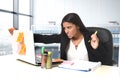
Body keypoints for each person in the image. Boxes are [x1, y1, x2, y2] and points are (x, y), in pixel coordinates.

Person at [9, 13, 112, 65]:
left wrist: (96, 47)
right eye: (64, 28)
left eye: (69, 27)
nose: (66, 31)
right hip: (67, 74)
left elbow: (105, 61)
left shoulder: (91, 38)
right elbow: (44, 38)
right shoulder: (64, 37)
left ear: (78, 26)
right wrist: (19, 33)